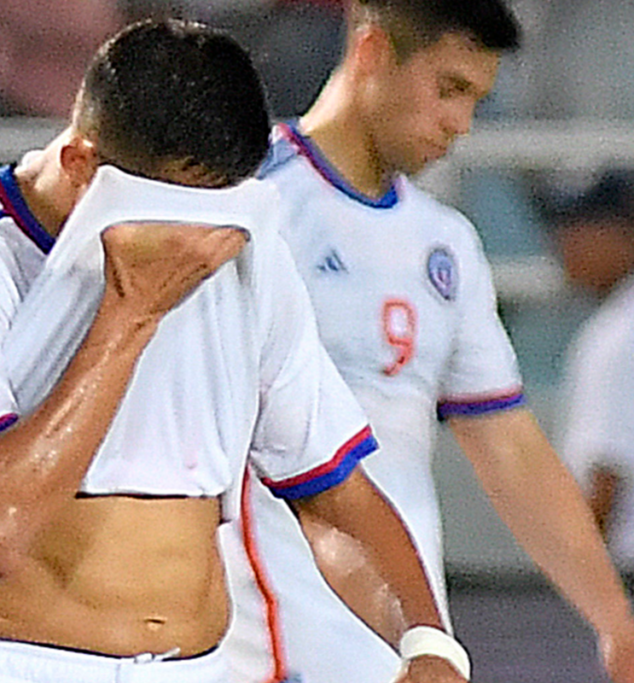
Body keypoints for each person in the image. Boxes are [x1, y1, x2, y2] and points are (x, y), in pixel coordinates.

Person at [0, 19, 471, 683]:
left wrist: (428, 642)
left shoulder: (240, 247)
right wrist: (129, 312)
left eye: (214, 208)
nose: (193, 242)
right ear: (80, 164)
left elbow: (335, 493)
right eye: (166, 208)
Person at [221, 2, 634, 682]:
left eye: (477, 100)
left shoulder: (446, 244)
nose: (461, 124)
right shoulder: (247, 203)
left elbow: (510, 448)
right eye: (448, 89)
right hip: (259, 643)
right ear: (373, 51)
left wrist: (614, 619)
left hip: (405, 649)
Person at [556, 172, 634, 571]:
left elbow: (605, 476)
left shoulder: (620, 334)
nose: (563, 243)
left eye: (581, 227)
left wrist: (583, 582)